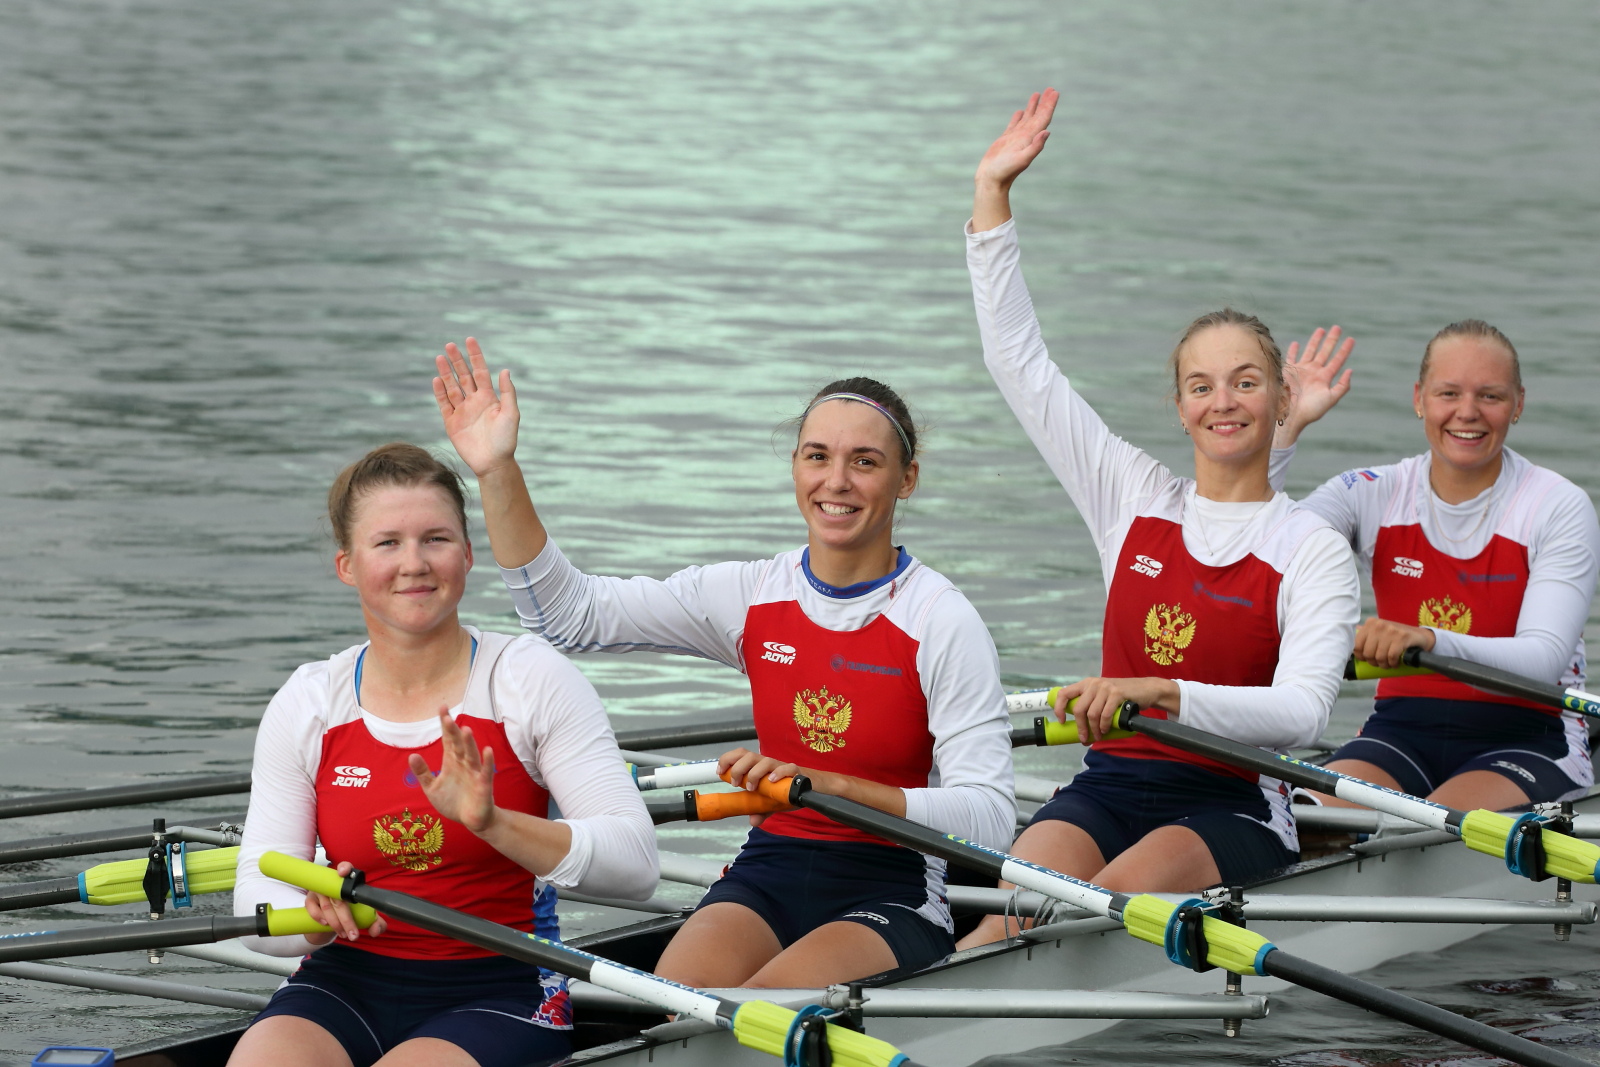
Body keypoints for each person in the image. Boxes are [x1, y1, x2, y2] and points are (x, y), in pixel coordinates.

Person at [432, 339, 1014, 988]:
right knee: (678, 1007)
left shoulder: (941, 620)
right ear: (795, 465)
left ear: (906, 479)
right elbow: (567, 616)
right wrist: (496, 470)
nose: (837, 481)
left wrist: (834, 785)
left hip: (893, 888)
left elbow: (988, 818)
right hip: (772, 867)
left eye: (866, 461)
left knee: (753, 1016)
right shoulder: (751, 594)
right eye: (817, 456)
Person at [957, 90, 1360, 948]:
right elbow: (1020, 365)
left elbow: (1302, 716)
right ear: (1178, 407)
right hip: (1111, 782)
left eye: (1247, 381)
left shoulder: (1311, 546)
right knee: (1011, 912)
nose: (1225, 401)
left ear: (1280, 398)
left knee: (1085, 912)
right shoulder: (1132, 496)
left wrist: (1162, 691)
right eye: (1203, 385)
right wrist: (993, 197)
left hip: (1232, 800)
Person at [230, 443, 656, 1067]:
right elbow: (255, 891)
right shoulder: (309, 703)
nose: (415, 564)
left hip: (503, 984)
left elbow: (637, 864)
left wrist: (493, 822)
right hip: (344, 981)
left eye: (436, 539)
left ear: (468, 555)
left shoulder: (527, 680)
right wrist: (313, 920)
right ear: (346, 565)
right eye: (388, 544)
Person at [1269, 319, 1599, 810]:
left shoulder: (1557, 506)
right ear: (1419, 398)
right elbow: (1264, 556)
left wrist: (1427, 639)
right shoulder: (1368, 492)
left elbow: (1543, 658)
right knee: (1304, 817)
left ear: (1519, 404)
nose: (1467, 413)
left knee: (1426, 825)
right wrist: (1283, 428)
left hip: (1531, 733)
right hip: (1402, 727)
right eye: (1449, 393)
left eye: (1490, 396)